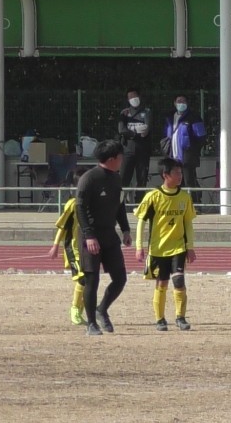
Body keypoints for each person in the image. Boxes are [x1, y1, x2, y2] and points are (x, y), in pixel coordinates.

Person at [134, 157, 198, 332]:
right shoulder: (153, 197)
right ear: (165, 175)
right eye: (176, 173)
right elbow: (141, 221)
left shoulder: (185, 197)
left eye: (180, 172)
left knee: (179, 281)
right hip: (157, 249)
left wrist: (190, 247)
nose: (180, 176)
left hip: (178, 248)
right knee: (162, 284)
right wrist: (139, 247)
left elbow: (188, 223)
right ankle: (160, 319)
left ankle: (180, 317)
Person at [75, 139, 132, 336]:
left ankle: (102, 309)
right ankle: (91, 323)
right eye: (120, 157)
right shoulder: (89, 178)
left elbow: (120, 205)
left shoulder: (116, 178)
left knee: (120, 278)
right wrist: (89, 235)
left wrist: (125, 229)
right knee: (92, 279)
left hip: (110, 235)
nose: (122, 160)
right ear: (111, 159)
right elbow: (79, 207)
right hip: (90, 236)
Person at [46, 168, 88, 327]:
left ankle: (83, 310)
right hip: (74, 248)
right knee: (83, 278)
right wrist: (55, 245)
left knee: (90, 280)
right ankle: (74, 309)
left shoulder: (91, 202)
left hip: (87, 248)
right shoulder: (72, 204)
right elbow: (62, 227)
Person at [117, 89, 154, 199]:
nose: (133, 99)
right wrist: (135, 132)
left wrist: (133, 131)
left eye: (134, 96)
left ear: (139, 96)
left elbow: (146, 130)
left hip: (143, 150)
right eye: (130, 97)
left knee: (141, 178)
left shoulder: (147, 111)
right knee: (123, 178)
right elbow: (121, 130)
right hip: (127, 150)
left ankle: (139, 203)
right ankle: (119, 203)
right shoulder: (125, 113)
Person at [164, 95, 206, 189]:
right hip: (172, 157)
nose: (181, 103)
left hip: (187, 158)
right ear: (174, 103)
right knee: (174, 182)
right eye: (179, 101)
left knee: (189, 182)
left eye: (183, 101)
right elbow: (166, 135)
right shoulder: (170, 117)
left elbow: (201, 137)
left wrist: (192, 150)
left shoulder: (194, 117)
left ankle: (193, 202)